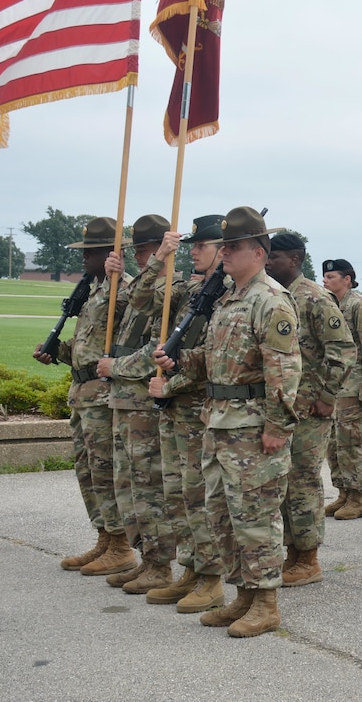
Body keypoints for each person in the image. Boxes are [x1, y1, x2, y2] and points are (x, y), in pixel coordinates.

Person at [153, 207, 300, 638]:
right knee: (224, 516)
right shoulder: (228, 299)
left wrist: (277, 428)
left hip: (253, 429)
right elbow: (216, 359)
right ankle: (243, 595)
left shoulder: (270, 300)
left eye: (232, 247)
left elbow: (284, 372)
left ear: (257, 252)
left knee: (256, 518)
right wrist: (180, 357)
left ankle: (266, 602)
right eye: (225, 247)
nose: (225, 254)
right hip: (219, 423)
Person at [33, 217, 134, 576]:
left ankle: (121, 545)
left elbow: (127, 329)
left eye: (89, 253)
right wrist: (57, 352)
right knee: (88, 470)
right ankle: (105, 538)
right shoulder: (92, 289)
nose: (83, 259)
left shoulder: (123, 289)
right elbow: (87, 346)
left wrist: (115, 279)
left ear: (110, 254)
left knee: (106, 470)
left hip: (103, 396)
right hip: (82, 394)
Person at [139, 215, 228, 613]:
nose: (193, 251)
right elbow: (140, 300)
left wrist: (169, 384)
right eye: (192, 245)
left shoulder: (226, 295)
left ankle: (211, 578)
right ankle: (191, 569)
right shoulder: (193, 290)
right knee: (176, 497)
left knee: (199, 498)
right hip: (174, 409)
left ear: (222, 250)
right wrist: (160, 257)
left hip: (196, 410)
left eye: (201, 246)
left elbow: (217, 361)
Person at [266, 233, 355, 587]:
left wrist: (327, 395)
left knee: (302, 481)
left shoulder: (315, 298)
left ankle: (307, 557)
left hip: (310, 410)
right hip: (280, 408)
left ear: (296, 258)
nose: (270, 261)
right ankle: (290, 551)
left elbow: (343, 351)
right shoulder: (273, 297)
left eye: (277, 256)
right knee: (281, 482)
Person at [96, 214, 176, 594]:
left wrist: (118, 367)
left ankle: (160, 563)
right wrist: (112, 272)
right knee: (127, 485)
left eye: (143, 251)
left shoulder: (171, 287)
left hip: (144, 398)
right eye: (139, 252)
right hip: (124, 400)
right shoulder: (141, 284)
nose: (141, 258)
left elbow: (157, 349)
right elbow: (126, 300)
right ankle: (145, 557)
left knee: (148, 486)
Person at [322, 259, 362, 521]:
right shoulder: (329, 304)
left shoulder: (360, 305)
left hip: (354, 383)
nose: (325, 280)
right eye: (325, 276)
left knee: (351, 441)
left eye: (331, 276)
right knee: (334, 443)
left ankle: (357, 498)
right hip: (334, 384)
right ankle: (343, 492)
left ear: (347, 279)